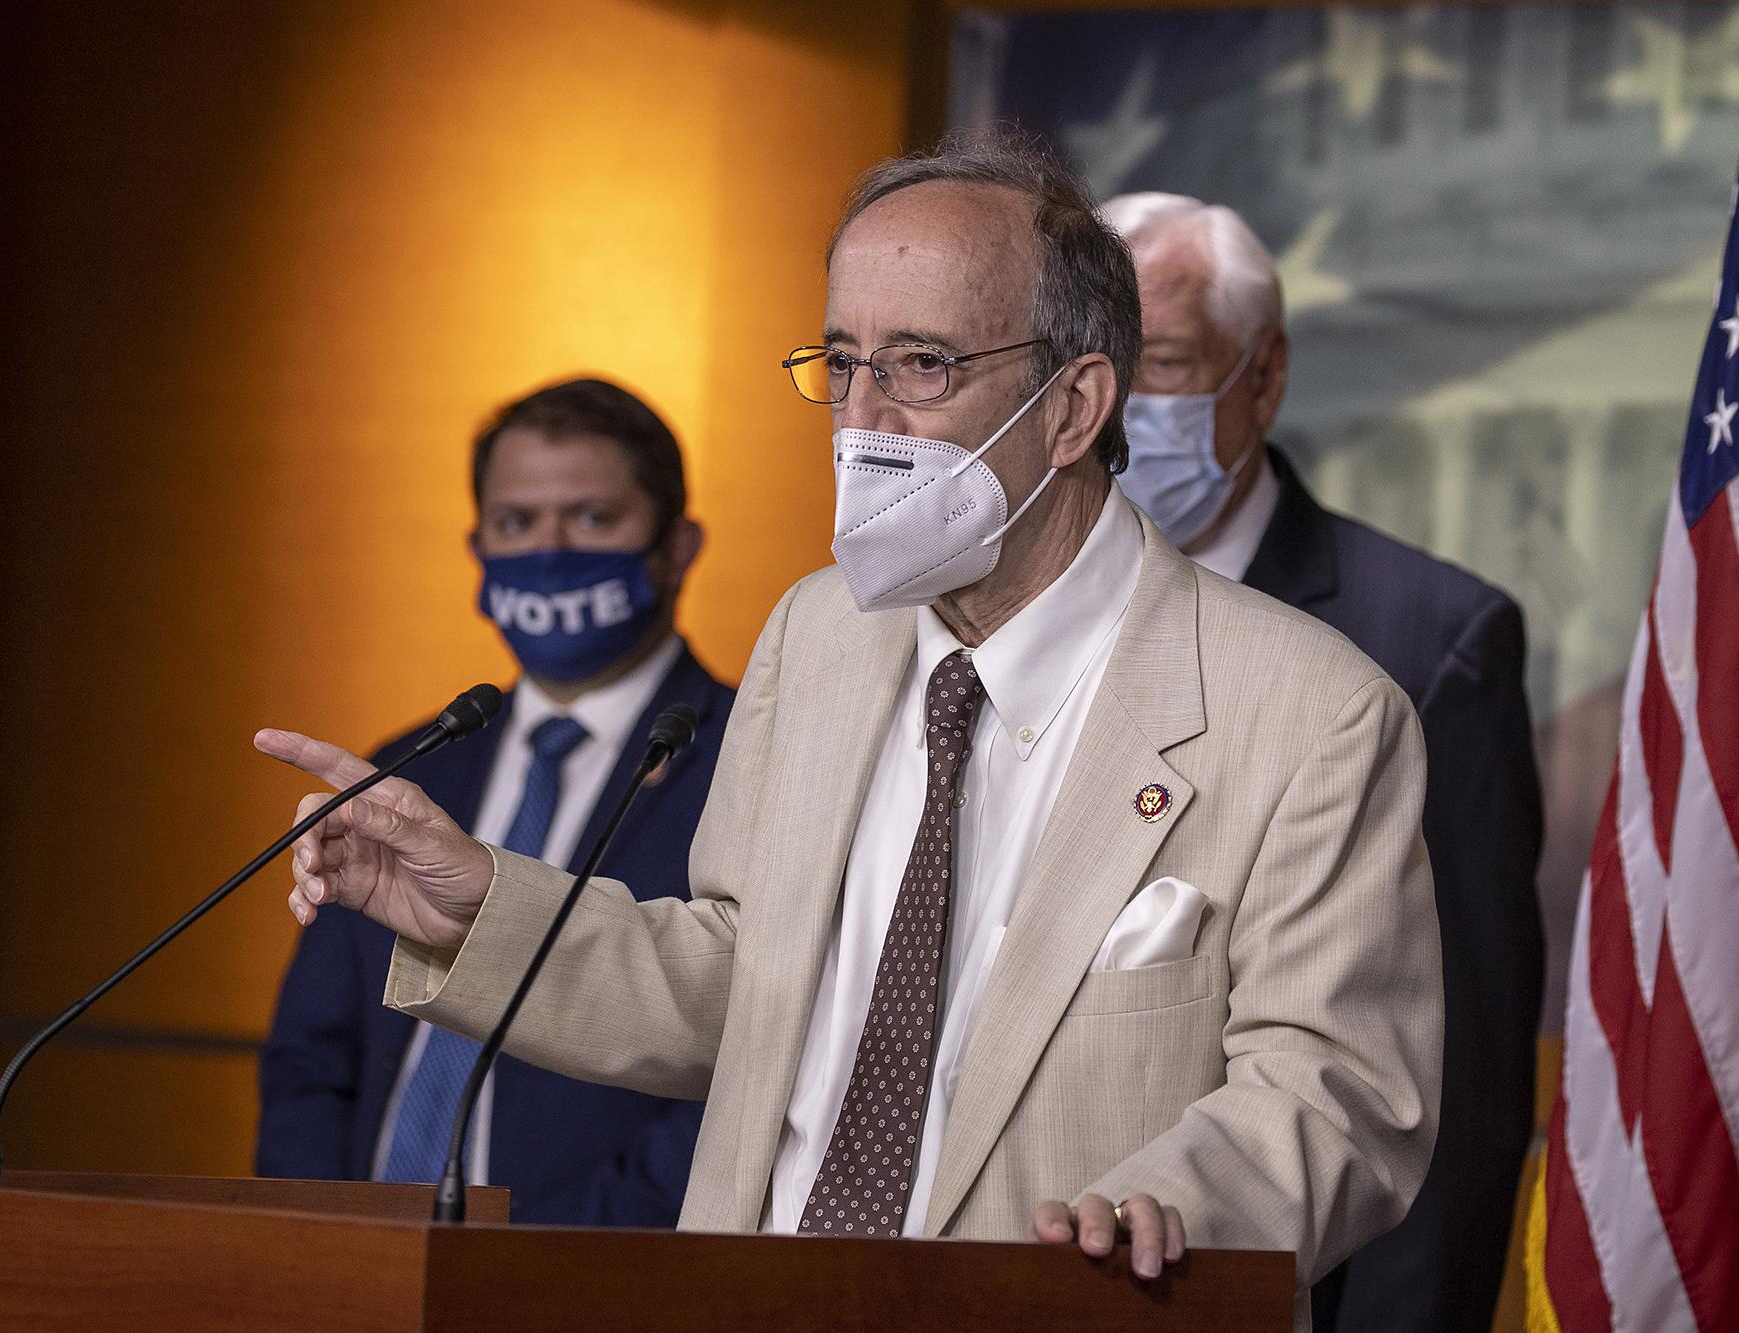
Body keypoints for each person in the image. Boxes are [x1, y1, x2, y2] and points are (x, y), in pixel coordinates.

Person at [258, 132, 1441, 1326]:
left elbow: (1339, 1092)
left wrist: (1165, 1206)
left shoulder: (1307, 711)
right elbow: (738, 977)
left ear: (1075, 404)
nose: (860, 420)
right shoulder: (815, 635)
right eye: (841, 361)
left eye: (920, 364)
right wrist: (479, 909)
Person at [1102, 191, 1545, 1333]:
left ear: (1263, 375)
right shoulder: (1002, 620)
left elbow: (1448, 1084)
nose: (1112, 404)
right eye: (1086, 360)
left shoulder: (1425, 640)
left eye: (1157, 363)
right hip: (1030, 1266)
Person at [255, 377, 735, 1226]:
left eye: (591, 517)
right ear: (478, 544)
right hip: (358, 1275)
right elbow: (312, 1061)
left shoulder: (748, 760)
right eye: (517, 523)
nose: (550, 550)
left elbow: (744, 1074)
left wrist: (547, 1265)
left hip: (596, 1280)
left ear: (679, 545)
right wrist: (319, 1243)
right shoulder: (413, 769)